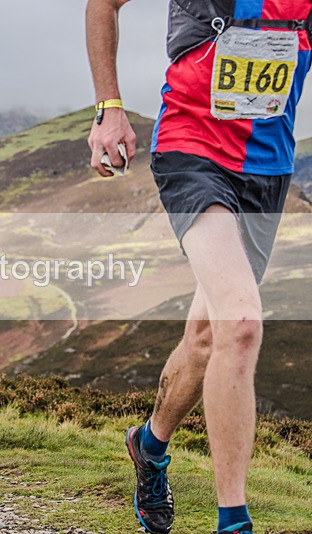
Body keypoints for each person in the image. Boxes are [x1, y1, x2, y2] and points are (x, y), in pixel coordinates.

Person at [86, 1, 311, 533]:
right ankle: (234, 522)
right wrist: (109, 107)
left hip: (268, 169)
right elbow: (104, 4)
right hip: (193, 152)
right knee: (241, 323)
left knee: (210, 336)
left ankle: (150, 444)